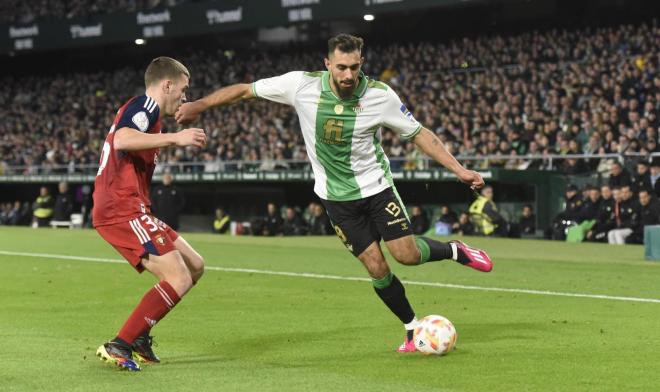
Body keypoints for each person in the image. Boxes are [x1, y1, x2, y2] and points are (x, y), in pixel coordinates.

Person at [176, 33, 492, 353]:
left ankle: (455, 251)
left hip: (377, 189)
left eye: (354, 67)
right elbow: (245, 90)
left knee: (406, 256)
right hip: (336, 200)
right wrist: (200, 105)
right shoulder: (301, 86)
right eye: (341, 67)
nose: (348, 75)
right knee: (376, 268)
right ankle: (412, 328)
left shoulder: (380, 96)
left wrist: (460, 170)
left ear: (361, 63)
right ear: (327, 64)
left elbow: (419, 134)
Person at [92, 57, 207, 371]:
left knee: (195, 266)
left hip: (133, 206)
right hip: (120, 207)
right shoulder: (145, 107)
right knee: (178, 276)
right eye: (182, 90)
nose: (184, 96)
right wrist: (175, 138)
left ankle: (140, 337)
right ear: (167, 84)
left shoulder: (148, 113)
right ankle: (120, 344)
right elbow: (121, 139)